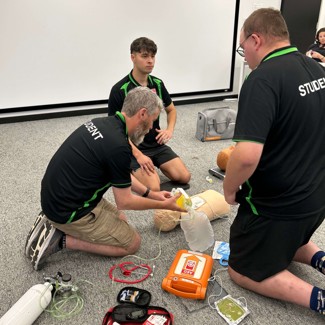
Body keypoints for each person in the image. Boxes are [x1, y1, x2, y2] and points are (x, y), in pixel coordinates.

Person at [224, 8, 325, 316]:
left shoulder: (262, 80)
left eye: (244, 48)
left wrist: (229, 190)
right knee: (286, 243)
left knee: (240, 269)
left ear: (257, 39)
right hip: (317, 201)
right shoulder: (318, 70)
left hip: (279, 207)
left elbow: (246, 156)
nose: (245, 56)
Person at [25, 87, 186, 271]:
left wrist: (152, 194)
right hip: (67, 210)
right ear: (142, 113)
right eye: (152, 120)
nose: (151, 127)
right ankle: (61, 239)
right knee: (132, 243)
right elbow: (124, 201)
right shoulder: (118, 147)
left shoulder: (104, 123)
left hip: (58, 196)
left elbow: (120, 174)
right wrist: (163, 205)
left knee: (122, 220)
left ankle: (55, 221)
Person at [108, 37, 191, 191]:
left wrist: (169, 130)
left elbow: (171, 109)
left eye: (152, 56)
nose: (150, 61)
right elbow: (114, 130)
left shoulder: (158, 84)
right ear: (133, 57)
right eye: (144, 56)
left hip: (155, 145)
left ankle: (151, 165)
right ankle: (123, 170)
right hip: (132, 148)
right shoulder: (119, 89)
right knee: (154, 186)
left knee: (184, 177)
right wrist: (138, 155)